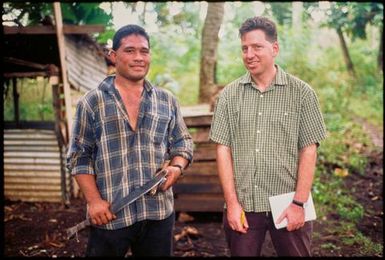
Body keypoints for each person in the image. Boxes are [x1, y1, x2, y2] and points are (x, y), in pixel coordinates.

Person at [66, 24, 193, 257]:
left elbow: (183, 142)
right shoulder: (92, 102)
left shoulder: (166, 100)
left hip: (158, 213)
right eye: (130, 51)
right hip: (111, 213)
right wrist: (94, 202)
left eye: (144, 51)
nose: (138, 58)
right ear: (113, 56)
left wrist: (176, 166)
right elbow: (78, 156)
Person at [209, 16, 327, 257]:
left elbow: (309, 150)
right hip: (244, 205)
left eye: (257, 47)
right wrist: (231, 204)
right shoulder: (229, 96)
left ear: (275, 48)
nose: (249, 54)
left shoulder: (302, 93)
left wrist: (298, 203)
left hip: (288, 202)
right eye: (244, 48)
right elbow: (223, 150)